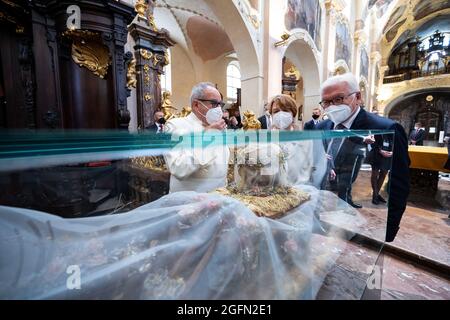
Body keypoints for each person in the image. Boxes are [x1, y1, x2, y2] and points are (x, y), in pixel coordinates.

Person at [316, 73, 410, 242]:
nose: (331, 106)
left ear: (357, 97)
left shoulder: (386, 127)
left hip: (364, 229)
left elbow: (399, 182)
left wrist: (389, 228)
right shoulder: (322, 127)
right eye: (326, 102)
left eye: (338, 99)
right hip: (322, 216)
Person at [163, 82, 229, 193]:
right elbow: (178, 168)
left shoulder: (219, 128)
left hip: (218, 201)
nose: (219, 109)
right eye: (214, 103)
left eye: (220, 105)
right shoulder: (175, 126)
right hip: (188, 204)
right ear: (196, 105)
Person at [367, 134, 393, 205]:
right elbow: (372, 143)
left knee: (384, 174)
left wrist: (392, 152)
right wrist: (380, 151)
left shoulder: (391, 132)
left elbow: (395, 143)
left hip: (387, 155)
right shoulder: (377, 130)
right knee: (375, 174)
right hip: (376, 154)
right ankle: (375, 195)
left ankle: (376, 194)